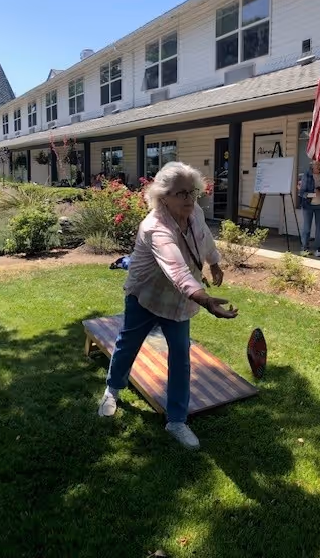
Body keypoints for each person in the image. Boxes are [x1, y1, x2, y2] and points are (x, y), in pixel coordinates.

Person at [98, 161, 238, 450]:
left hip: (179, 300)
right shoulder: (154, 227)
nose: (189, 200)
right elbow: (177, 269)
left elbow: (205, 240)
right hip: (146, 296)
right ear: (163, 196)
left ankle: (176, 420)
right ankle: (112, 390)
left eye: (193, 192)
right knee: (128, 343)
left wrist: (214, 263)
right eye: (181, 194)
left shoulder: (195, 212)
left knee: (181, 355)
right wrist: (207, 301)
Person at [298, 161, 320, 257]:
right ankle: (304, 248)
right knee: (306, 228)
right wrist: (313, 194)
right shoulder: (306, 175)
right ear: (312, 165)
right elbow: (302, 193)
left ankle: (318, 249)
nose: (319, 167)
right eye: (317, 164)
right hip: (308, 205)